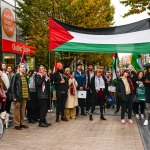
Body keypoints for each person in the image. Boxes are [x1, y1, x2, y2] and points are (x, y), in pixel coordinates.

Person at [12, 63, 29, 130]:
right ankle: (16, 124)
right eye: (21, 67)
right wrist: (14, 96)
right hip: (18, 96)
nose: (23, 68)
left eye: (24, 67)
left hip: (24, 96)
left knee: (22, 111)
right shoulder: (16, 75)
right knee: (17, 110)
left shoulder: (24, 76)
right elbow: (12, 87)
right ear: (19, 68)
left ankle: (22, 123)